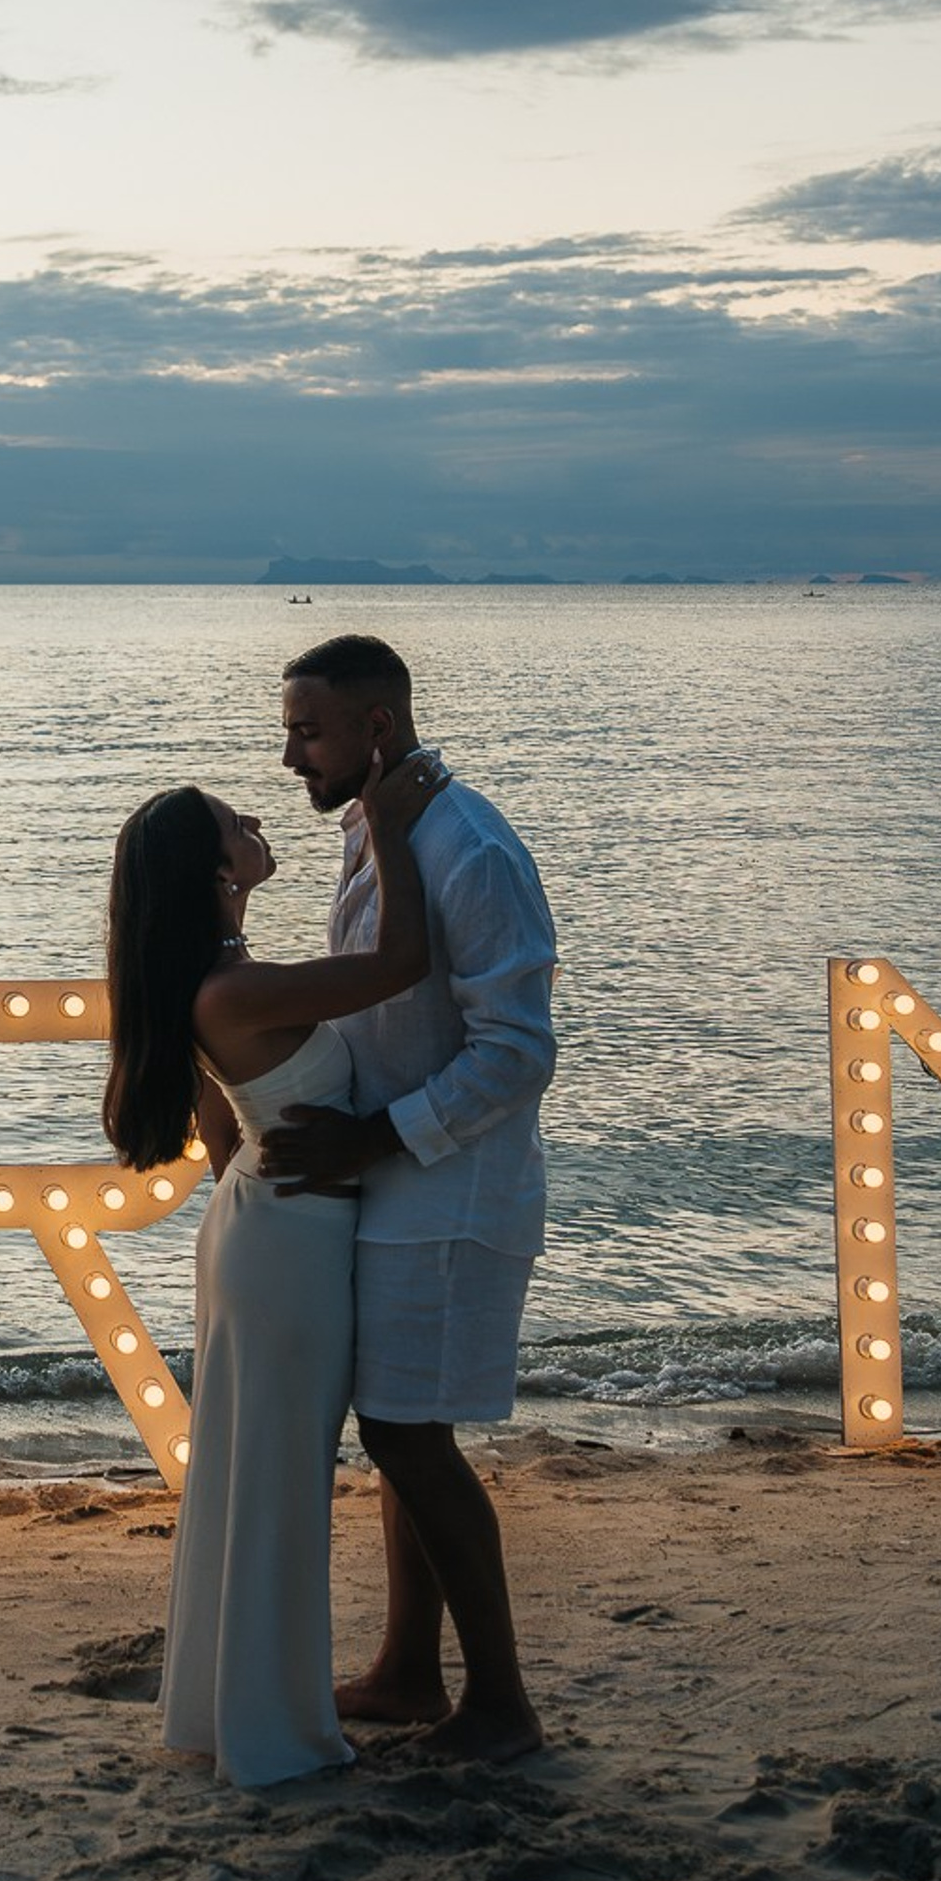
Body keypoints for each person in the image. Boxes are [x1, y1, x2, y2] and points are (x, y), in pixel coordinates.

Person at [102, 747, 446, 1788]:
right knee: (278, 1482)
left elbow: (220, 1134)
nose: (256, 818)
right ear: (216, 869)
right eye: (233, 820)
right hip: (284, 1243)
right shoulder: (233, 988)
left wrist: (265, 1186)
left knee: (254, 1478)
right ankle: (271, 1732)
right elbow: (401, 965)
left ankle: (238, 1708)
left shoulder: (211, 982)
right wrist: (387, 829)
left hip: (263, 1228)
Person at [259, 634, 556, 1764]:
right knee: (400, 1432)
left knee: (406, 1436)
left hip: (448, 1189)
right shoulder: (381, 831)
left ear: (375, 728)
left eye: (307, 729)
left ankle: (501, 1702)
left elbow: (517, 1049)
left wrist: (375, 1138)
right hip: (397, 1184)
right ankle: (407, 1668)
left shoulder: (466, 846)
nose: (289, 753)